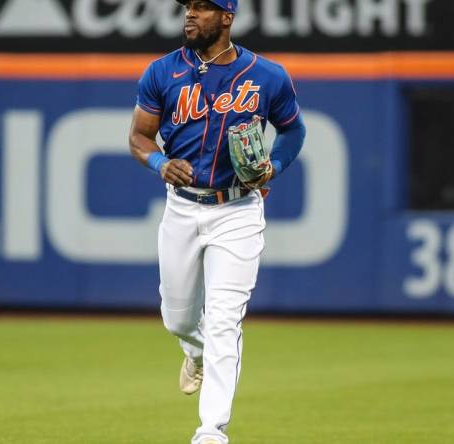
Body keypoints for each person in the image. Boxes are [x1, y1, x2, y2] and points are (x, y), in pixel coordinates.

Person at [128, 0, 306, 442]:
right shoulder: (161, 72)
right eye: (188, 7)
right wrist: (158, 164)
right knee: (178, 318)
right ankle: (195, 351)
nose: (190, 14)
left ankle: (212, 432)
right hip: (182, 208)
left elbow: (293, 130)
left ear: (227, 16)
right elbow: (139, 136)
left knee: (225, 321)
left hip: (239, 211)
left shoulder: (268, 76)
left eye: (203, 7)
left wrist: (275, 168)